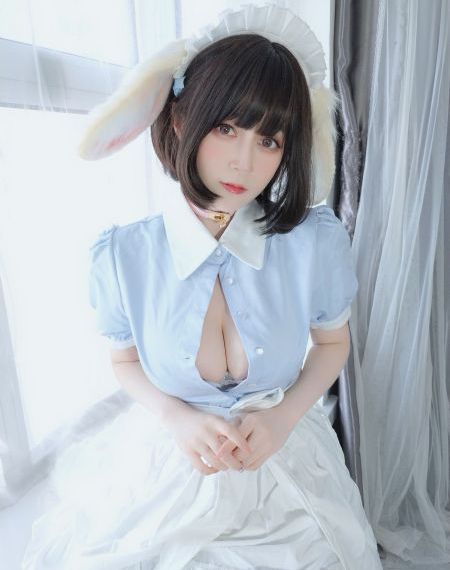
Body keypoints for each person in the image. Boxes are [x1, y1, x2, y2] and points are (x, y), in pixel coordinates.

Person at [22, 3, 383, 569]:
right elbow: (124, 361)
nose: (245, 162)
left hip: (285, 459)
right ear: (178, 121)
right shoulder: (124, 256)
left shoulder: (313, 243)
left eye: (270, 140)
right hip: (171, 462)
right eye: (226, 128)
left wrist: (284, 417)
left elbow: (333, 343)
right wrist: (178, 419)